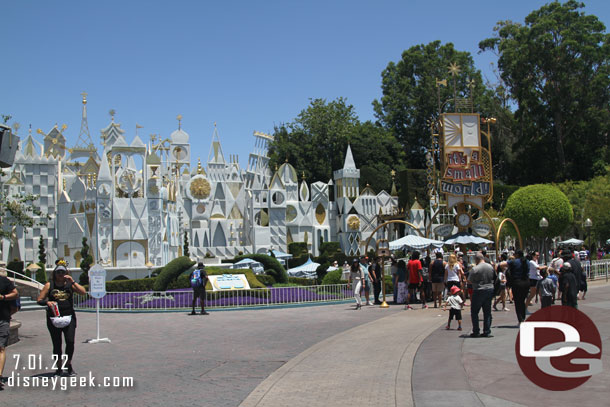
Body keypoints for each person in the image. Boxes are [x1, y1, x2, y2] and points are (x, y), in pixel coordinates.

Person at [37, 261, 87, 376]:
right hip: (53, 317)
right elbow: (39, 299)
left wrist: (72, 281)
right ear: (54, 273)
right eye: (58, 272)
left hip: (69, 317)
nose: (60, 274)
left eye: (62, 272)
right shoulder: (49, 285)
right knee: (57, 343)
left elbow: (83, 292)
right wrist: (47, 302)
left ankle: (68, 364)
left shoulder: (70, 284)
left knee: (70, 341)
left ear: (66, 273)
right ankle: (58, 367)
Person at [468, 253, 495, 338]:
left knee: (475, 312)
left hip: (478, 290)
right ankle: (487, 331)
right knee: (487, 311)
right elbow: (494, 277)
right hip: (489, 289)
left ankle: (476, 331)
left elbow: (469, 280)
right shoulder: (490, 267)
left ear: (476, 259)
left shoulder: (475, 269)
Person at [0, 272, 19, 390]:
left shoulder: (4, 281)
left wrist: (3, 297)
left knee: (1, 347)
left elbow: (15, 293)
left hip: (2, 318)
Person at [501, 250, 530, 324]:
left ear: (517, 255)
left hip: (516, 283)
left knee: (517, 302)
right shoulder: (527, 262)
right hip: (526, 282)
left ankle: (520, 319)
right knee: (522, 301)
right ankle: (523, 317)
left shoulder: (514, 261)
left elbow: (502, 264)